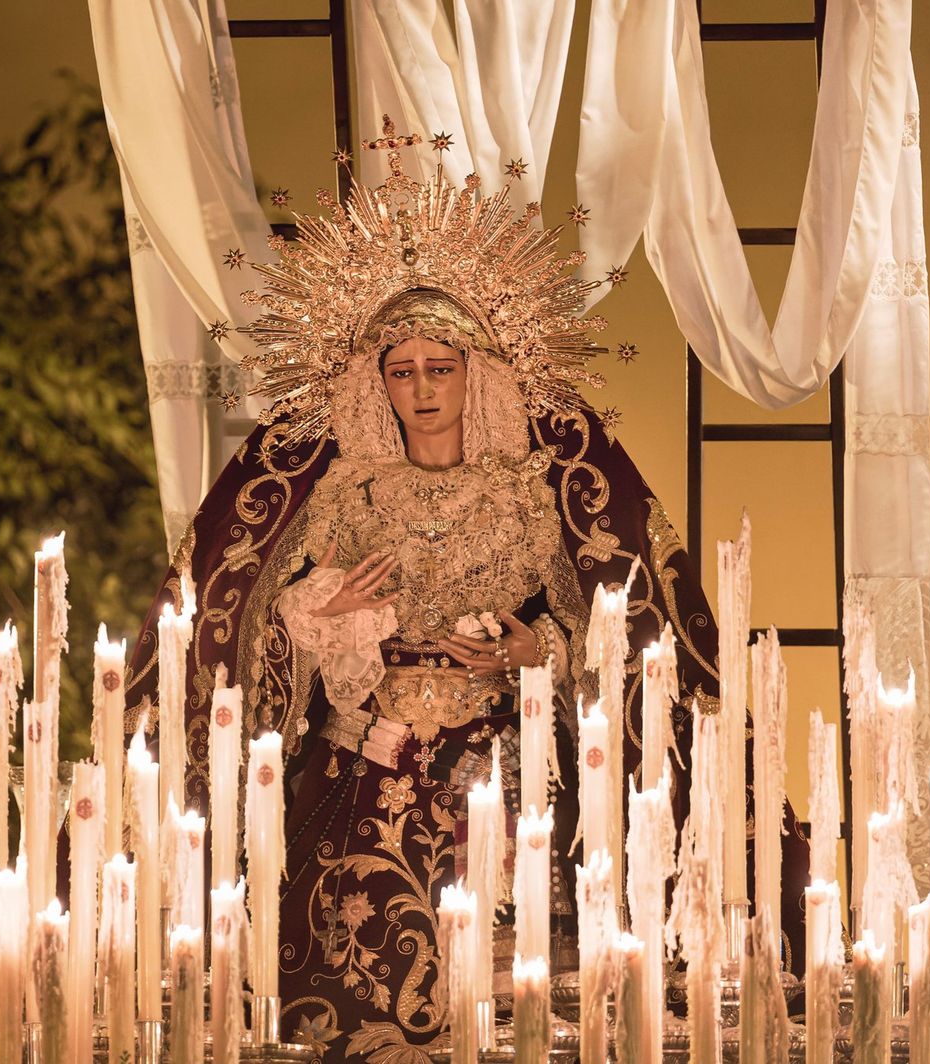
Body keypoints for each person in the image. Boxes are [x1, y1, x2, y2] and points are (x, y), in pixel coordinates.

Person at [124, 126, 808, 1062]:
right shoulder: (344, 491)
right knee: (331, 964)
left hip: (500, 760)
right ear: (377, 386)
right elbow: (265, 630)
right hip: (362, 758)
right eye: (400, 373)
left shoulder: (530, 492)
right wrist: (316, 621)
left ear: (476, 373)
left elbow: (605, 625)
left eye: (439, 369)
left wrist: (540, 658)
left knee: (515, 982)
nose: (421, 390)